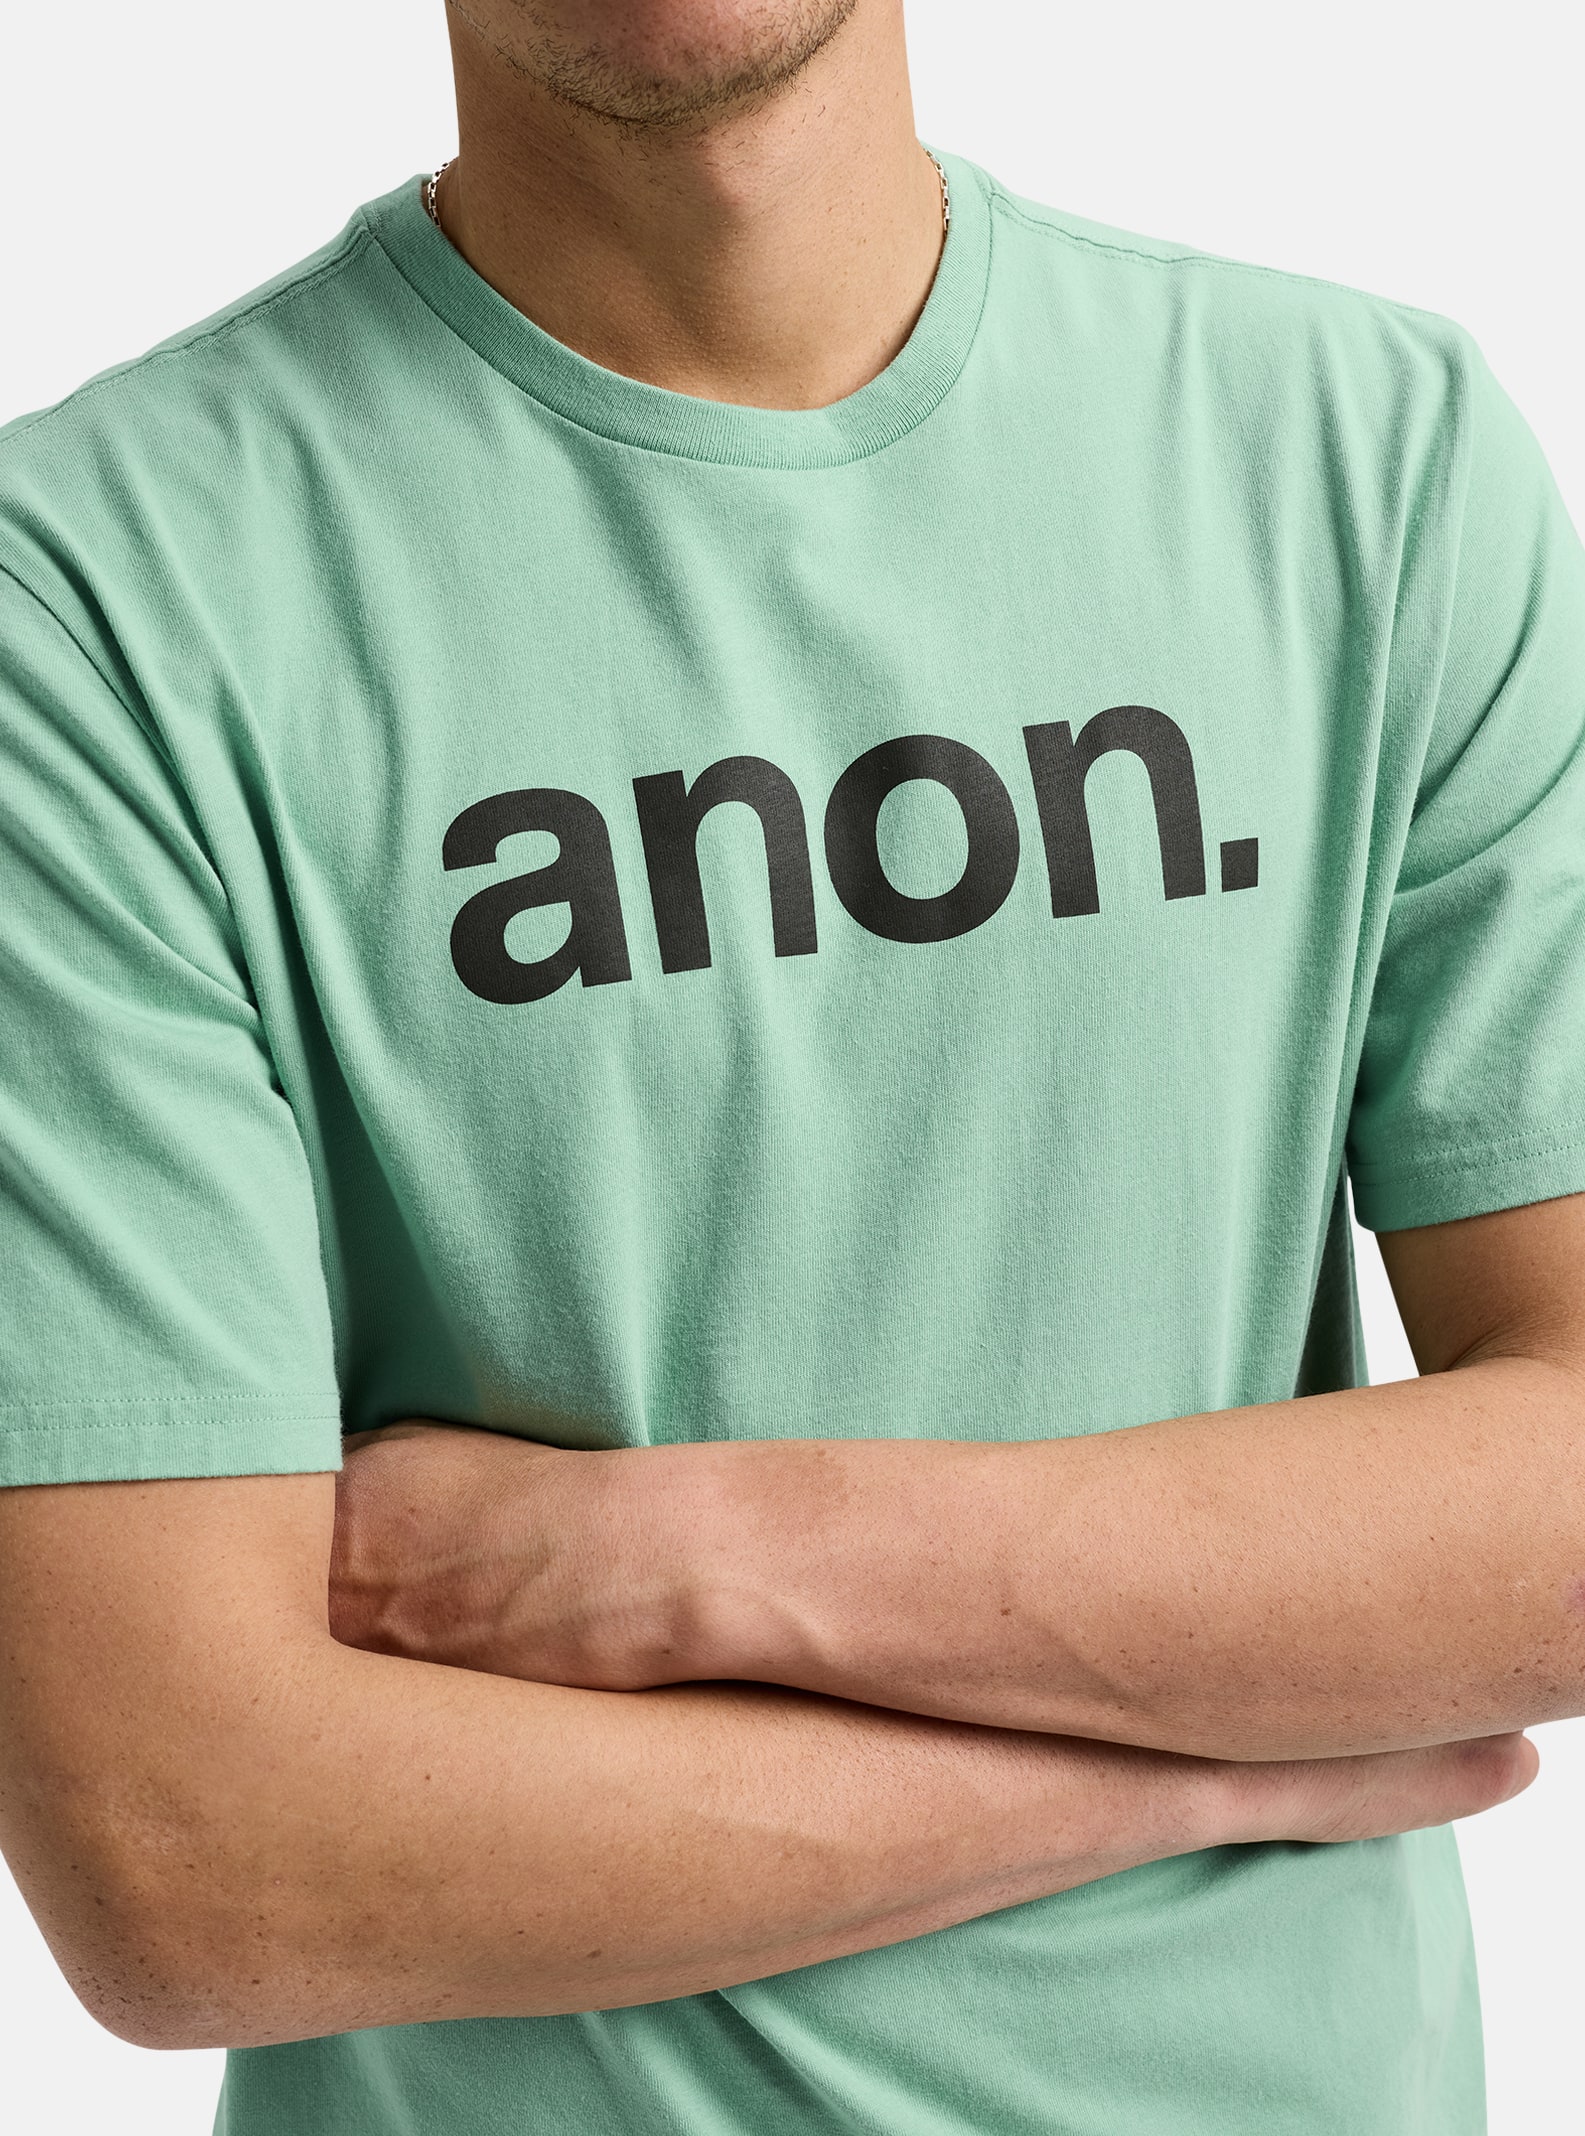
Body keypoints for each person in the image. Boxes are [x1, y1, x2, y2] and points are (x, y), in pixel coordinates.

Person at [0, 1, 1582, 2130]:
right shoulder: (84, 602)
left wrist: (706, 1553)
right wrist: (1214, 1769)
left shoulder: (1368, 455)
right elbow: (195, 1867)